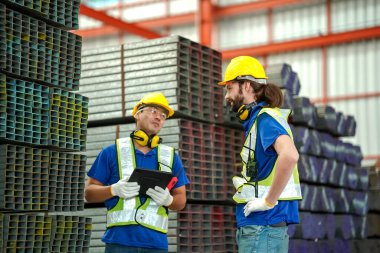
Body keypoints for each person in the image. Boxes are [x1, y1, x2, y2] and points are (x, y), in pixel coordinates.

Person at [85, 92, 190, 253]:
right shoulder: (112, 152)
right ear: (137, 114)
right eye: (153, 111)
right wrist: (113, 189)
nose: (159, 117)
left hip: (156, 245)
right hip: (119, 243)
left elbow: (181, 199)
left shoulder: (171, 157)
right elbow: (89, 193)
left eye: (163, 115)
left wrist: (169, 200)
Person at [217, 56, 302, 253]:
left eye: (229, 88)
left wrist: (268, 201)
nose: (226, 96)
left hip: (262, 230)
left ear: (246, 86)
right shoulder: (258, 121)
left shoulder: (265, 119)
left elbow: (289, 156)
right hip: (263, 229)